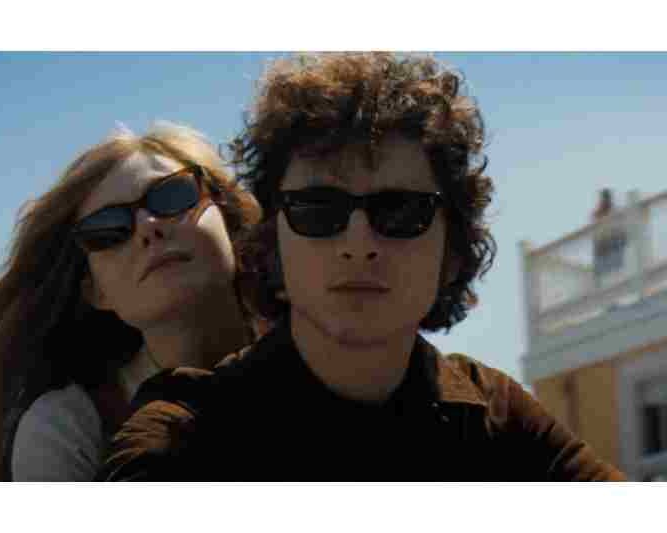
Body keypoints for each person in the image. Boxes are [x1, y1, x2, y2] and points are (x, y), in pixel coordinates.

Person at [97, 53, 625, 481]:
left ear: (452, 252)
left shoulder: (496, 416)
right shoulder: (185, 437)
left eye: (401, 212)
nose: (358, 243)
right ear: (272, 244)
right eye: (317, 209)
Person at [0, 122, 261, 481]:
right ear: (95, 292)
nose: (148, 226)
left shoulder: (314, 340)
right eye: (108, 230)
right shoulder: (66, 427)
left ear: (228, 220)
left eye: (172, 195)